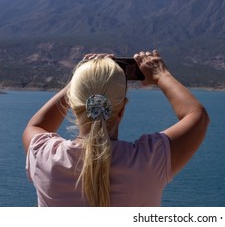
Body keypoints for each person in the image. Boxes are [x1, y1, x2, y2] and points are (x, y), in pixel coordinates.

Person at [22, 50, 210, 207]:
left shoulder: (45, 157)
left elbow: (37, 126)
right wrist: (161, 75)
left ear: (72, 102)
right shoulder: (149, 161)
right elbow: (197, 116)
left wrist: (83, 78)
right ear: (122, 109)